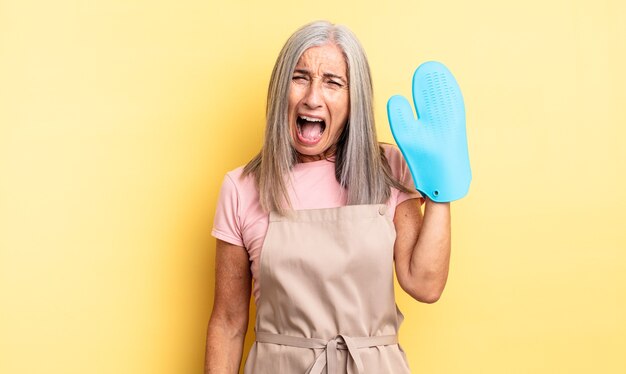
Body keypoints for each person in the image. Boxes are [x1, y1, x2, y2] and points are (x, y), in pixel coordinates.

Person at [205, 20, 451, 374]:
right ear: (280, 90)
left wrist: (443, 188)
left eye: (333, 82)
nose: (312, 98)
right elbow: (227, 324)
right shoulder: (242, 188)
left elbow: (425, 284)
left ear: (354, 102)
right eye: (300, 77)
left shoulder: (390, 169)